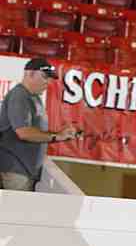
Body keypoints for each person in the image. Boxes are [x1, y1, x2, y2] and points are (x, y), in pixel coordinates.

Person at [0, 58, 79, 191]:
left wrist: (59, 134)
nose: (48, 82)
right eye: (44, 77)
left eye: (49, 78)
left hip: (25, 169)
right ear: (29, 74)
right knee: (18, 204)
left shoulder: (33, 97)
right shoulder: (19, 96)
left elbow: (35, 131)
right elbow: (24, 132)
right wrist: (56, 136)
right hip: (16, 169)